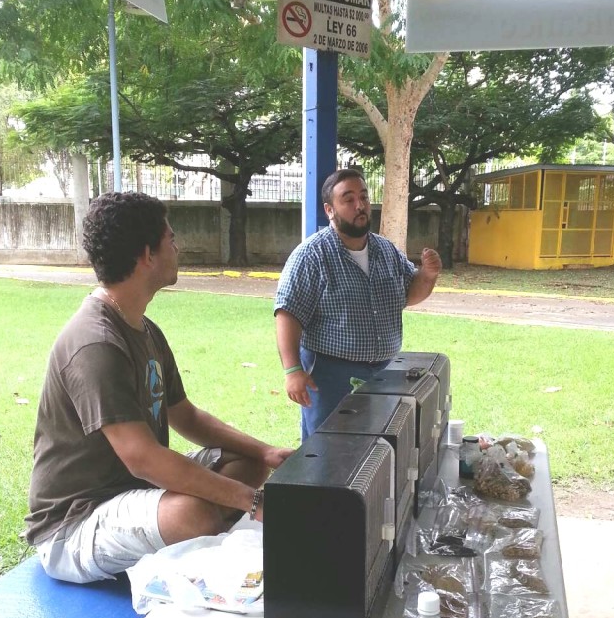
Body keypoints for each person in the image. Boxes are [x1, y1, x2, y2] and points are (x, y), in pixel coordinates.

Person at [25, 191, 293, 584]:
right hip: (75, 523)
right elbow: (143, 458)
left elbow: (185, 415)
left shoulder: (144, 329)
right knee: (194, 514)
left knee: (246, 464)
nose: (178, 245)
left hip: (136, 490)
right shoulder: (95, 342)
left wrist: (265, 452)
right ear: (147, 255)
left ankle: (201, 531)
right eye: (171, 238)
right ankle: (202, 531)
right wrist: (248, 501)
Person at [274, 168, 442, 439]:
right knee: (330, 452)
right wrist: (293, 370)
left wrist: (427, 276)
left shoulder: (386, 250)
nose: (359, 205)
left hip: (385, 371)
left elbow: (408, 295)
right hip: (329, 376)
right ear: (330, 209)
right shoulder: (311, 255)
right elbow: (287, 313)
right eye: (348, 199)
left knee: (379, 451)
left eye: (363, 197)